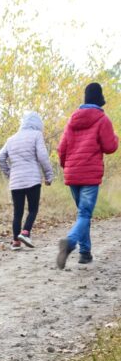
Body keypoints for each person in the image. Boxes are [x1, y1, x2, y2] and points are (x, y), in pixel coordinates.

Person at [56, 82, 119, 269]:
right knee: (84, 214)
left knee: (82, 215)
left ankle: (85, 253)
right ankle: (70, 242)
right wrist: (115, 138)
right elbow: (110, 147)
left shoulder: (72, 120)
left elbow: (62, 148)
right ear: (99, 99)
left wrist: (66, 166)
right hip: (90, 175)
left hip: (73, 174)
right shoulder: (102, 119)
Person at [0, 112, 53, 251]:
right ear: (38, 124)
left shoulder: (11, 139)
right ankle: (25, 233)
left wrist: (9, 173)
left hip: (16, 182)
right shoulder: (36, 135)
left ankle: (16, 241)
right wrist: (49, 175)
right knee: (33, 209)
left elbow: (0, 157)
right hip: (32, 179)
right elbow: (43, 156)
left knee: (18, 212)